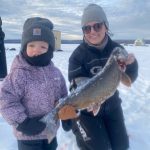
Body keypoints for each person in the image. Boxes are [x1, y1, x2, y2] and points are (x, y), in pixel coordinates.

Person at [59, 4, 138, 150]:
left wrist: (131, 65)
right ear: (83, 31)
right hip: (87, 112)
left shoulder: (117, 50)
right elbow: (79, 89)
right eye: (86, 28)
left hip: (112, 106)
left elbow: (129, 80)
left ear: (106, 26)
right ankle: (77, 126)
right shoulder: (77, 57)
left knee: (121, 146)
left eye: (97, 26)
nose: (92, 31)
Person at [0, 17, 68, 150]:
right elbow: (5, 100)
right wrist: (23, 122)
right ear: (24, 47)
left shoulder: (56, 73)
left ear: (50, 49)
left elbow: (63, 97)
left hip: (50, 132)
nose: (36, 50)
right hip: (27, 136)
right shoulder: (19, 74)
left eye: (42, 46)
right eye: (31, 45)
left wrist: (67, 114)